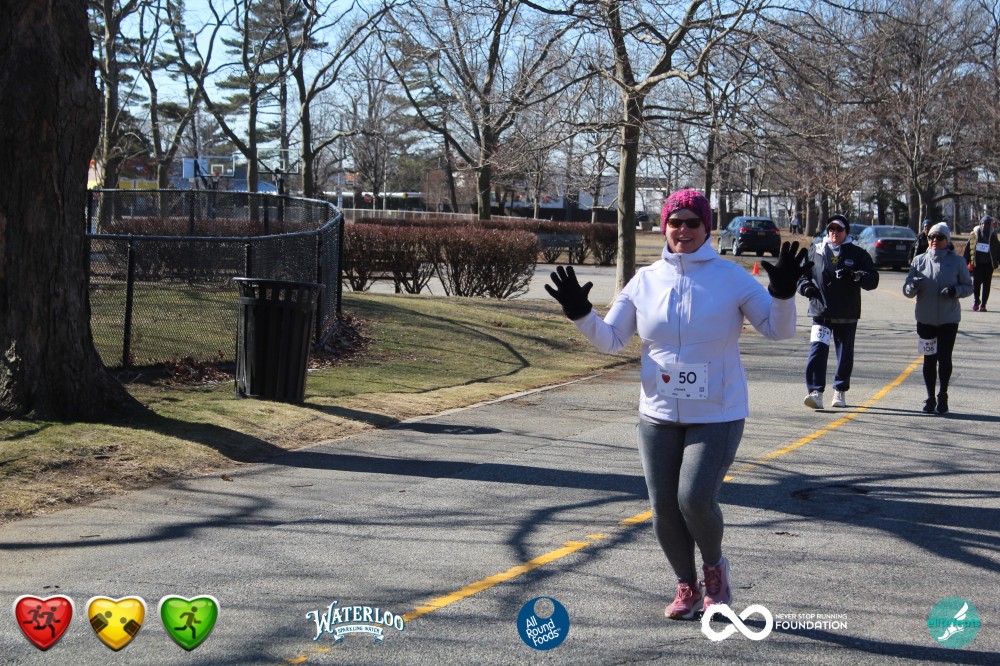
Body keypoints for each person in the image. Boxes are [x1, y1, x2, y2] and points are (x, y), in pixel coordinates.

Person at [545, 189, 810, 621]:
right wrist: (581, 314)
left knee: (694, 498)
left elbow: (777, 331)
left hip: (718, 412)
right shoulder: (644, 281)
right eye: (675, 222)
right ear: (664, 226)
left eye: (692, 222)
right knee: (664, 508)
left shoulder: (731, 277)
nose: (683, 230)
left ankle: (715, 570)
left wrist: (782, 295)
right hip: (658, 414)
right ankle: (686, 585)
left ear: (707, 228)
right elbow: (612, 340)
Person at [797, 214, 879, 410]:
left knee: (844, 354)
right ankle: (815, 392)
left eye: (839, 229)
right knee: (817, 351)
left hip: (846, 312)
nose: (834, 232)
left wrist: (856, 275)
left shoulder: (857, 253)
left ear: (846, 232)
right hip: (821, 311)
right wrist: (806, 288)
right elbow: (801, 275)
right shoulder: (815, 251)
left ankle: (840, 390)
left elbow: (873, 279)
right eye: (831, 229)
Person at [903, 223, 972, 414]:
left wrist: (955, 291)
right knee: (929, 359)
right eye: (931, 237)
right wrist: (912, 287)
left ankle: (943, 394)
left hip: (949, 319)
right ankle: (930, 397)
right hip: (925, 319)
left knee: (944, 357)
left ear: (947, 240)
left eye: (939, 237)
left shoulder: (957, 261)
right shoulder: (919, 261)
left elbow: (968, 287)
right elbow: (907, 289)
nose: (934, 240)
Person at [962, 215, 1000, 311]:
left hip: (988, 264)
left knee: (987, 284)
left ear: (990, 225)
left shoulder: (993, 236)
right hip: (977, 264)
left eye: (987, 224)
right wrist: (964, 263)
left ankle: (983, 304)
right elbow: (968, 250)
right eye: (983, 223)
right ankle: (976, 301)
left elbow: (998, 251)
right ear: (980, 224)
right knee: (976, 283)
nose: (984, 226)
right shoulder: (974, 235)